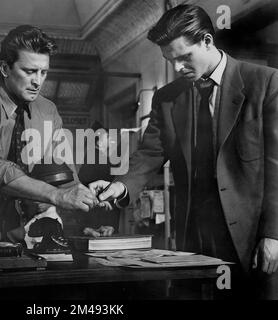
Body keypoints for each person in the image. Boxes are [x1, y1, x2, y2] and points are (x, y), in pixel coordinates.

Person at [90, 4, 278, 299]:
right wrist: (120, 186)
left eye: (183, 57)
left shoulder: (266, 83)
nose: (177, 68)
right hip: (195, 238)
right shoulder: (167, 98)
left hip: (251, 238)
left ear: (207, 41)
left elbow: (276, 165)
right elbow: (150, 152)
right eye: (170, 60)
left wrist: (273, 234)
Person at [0, 25, 97, 252]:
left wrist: (87, 194)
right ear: (5, 68)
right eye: (29, 71)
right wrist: (56, 195)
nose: (38, 82)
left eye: (44, 72)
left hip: (15, 217)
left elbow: (62, 168)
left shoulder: (48, 110)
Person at [78, 122, 119, 237]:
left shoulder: (95, 157)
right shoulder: (98, 160)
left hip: (95, 215)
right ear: (98, 142)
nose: (111, 140)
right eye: (108, 137)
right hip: (96, 216)